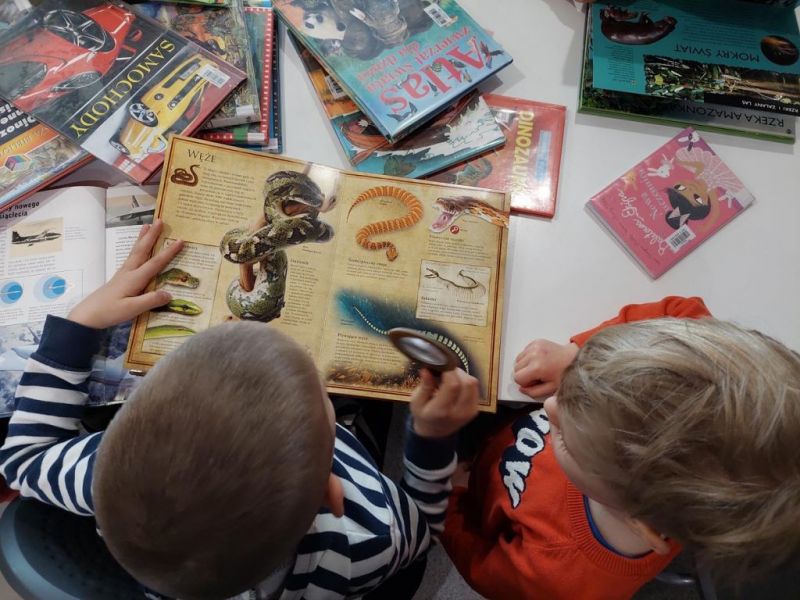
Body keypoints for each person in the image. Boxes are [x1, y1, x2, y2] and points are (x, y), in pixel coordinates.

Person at [0, 221, 481, 599]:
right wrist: (431, 437)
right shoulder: (369, 539)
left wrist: (81, 322)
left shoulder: (103, 476)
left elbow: (22, 459)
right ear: (334, 493)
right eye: (320, 395)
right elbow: (424, 524)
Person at [442, 297, 800, 600]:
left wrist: (451, 497)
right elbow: (683, 311)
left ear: (642, 527)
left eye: (565, 437)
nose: (550, 406)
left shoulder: (556, 579)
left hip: (467, 486)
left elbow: (480, 564)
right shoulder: (646, 482)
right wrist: (576, 358)